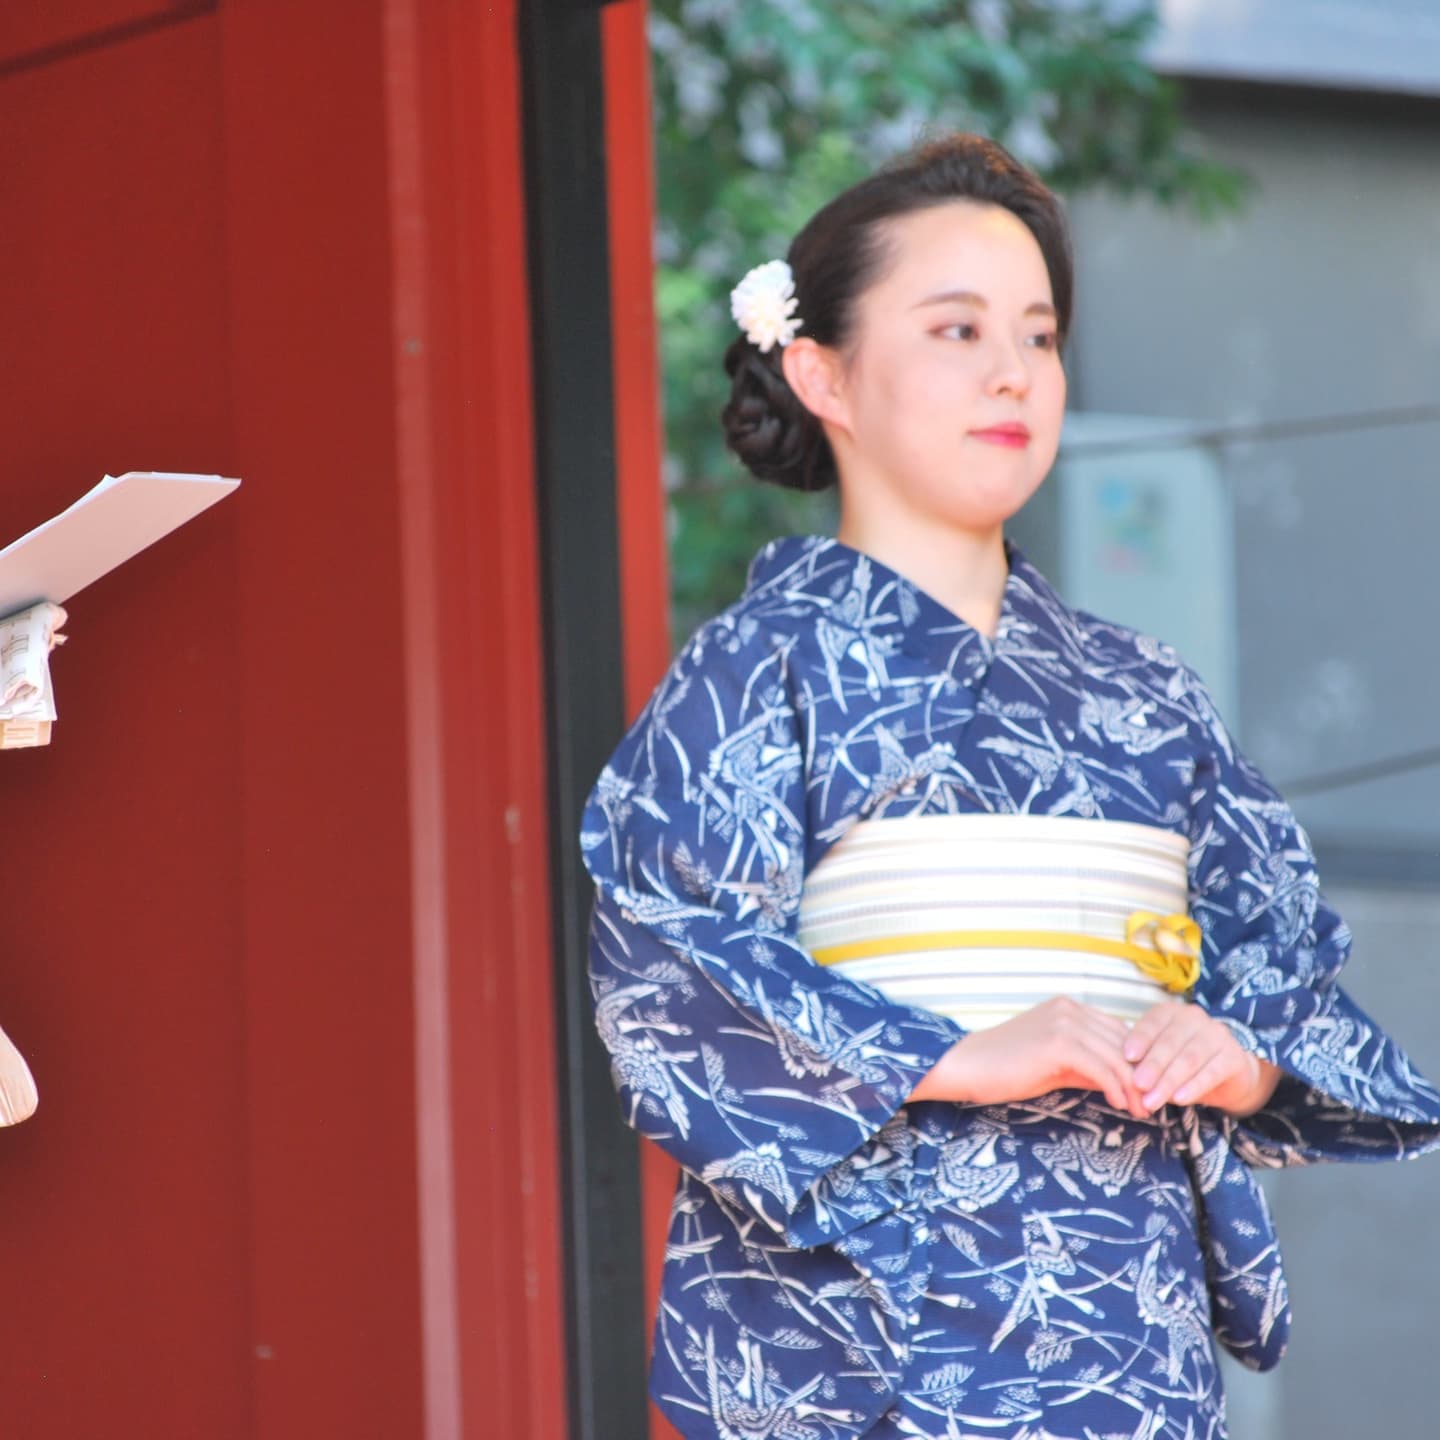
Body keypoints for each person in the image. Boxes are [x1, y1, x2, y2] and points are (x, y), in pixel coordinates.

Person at [577, 131, 1440, 1440]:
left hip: (1121, 1325)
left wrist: (1239, 1054)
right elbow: (659, 964)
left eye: (1038, 337)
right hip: (868, 1341)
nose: (1011, 373)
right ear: (824, 374)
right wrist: (966, 1052)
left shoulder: (1144, 692)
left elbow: (1286, 974)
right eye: (956, 329)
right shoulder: (763, 667)